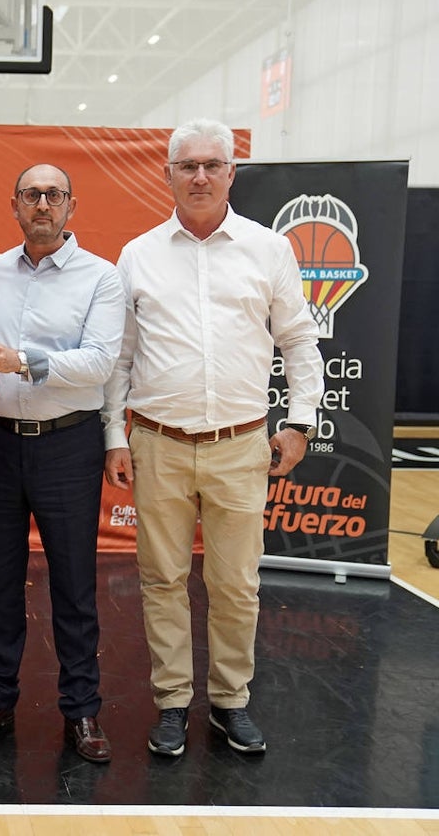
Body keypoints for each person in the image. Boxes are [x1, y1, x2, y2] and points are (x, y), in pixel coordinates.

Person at [103, 119, 324, 757]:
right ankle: (173, 702)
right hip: (157, 445)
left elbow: (299, 342)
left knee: (236, 584)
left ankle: (230, 702)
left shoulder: (269, 249)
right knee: (162, 580)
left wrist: (300, 422)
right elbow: (120, 359)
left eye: (212, 164)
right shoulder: (138, 254)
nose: (199, 175)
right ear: (167, 174)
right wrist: (114, 436)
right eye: (186, 165)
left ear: (232, 173)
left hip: (240, 446)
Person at [0, 164, 124, 763]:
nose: (43, 204)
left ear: (71, 207)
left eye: (54, 195)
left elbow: (101, 363)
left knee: (74, 585)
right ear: (14, 205)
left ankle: (82, 711)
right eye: (32, 194)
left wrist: (23, 359)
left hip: (66, 443)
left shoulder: (101, 278)